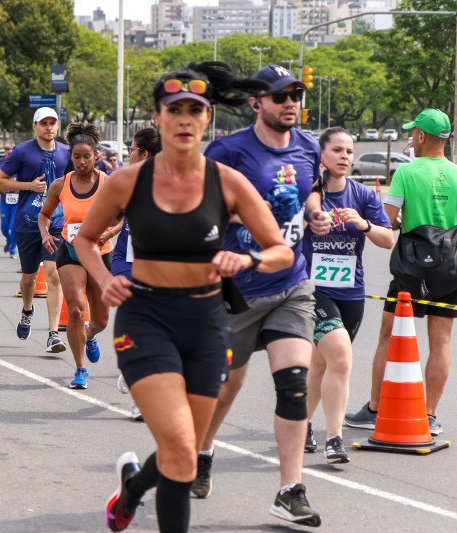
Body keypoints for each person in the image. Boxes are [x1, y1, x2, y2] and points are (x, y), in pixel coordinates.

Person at [74, 62, 293, 533]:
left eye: (196, 110)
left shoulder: (227, 183)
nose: (185, 119)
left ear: (208, 118)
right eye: (175, 110)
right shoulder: (128, 181)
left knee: (186, 453)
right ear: (157, 117)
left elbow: (281, 251)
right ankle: (136, 489)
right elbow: (85, 240)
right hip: (146, 317)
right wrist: (106, 276)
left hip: (208, 321)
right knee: (176, 445)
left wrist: (248, 261)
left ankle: (132, 488)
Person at [194, 64, 330, 527]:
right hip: (235, 291)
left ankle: (290, 491)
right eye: (280, 95)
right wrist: (242, 219)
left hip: (290, 284)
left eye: (296, 93)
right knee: (224, 387)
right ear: (256, 103)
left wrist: (314, 214)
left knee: (294, 384)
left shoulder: (309, 147)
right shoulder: (228, 151)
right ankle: (203, 450)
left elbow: (309, 190)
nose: (291, 101)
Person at [344, 108, 457, 436]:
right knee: (441, 342)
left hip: (411, 270)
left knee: (388, 336)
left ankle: (375, 407)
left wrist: (392, 215)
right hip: (451, 270)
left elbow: (387, 222)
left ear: (420, 136)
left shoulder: (406, 173)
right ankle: (430, 415)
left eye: (413, 132)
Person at [301, 127, 394, 464]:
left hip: (351, 294)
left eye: (349, 151)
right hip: (313, 292)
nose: (345, 157)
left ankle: (302, 423)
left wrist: (364, 225)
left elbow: (388, 240)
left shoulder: (363, 196)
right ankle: (334, 439)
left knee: (321, 363)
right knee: (340, 356)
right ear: (322, 156)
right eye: (337, 150)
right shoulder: (308, 195)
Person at [37, 122, 112, 389]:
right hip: (70, 251)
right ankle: (80, 369)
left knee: (101, 319)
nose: (81, 162)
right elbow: (44, 215)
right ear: (71, 157)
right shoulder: (61, 185)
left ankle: (90, 335)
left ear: (96, 156)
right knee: (77, 310)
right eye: (76, 157)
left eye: (86, 157)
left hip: (100, 253)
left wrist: (109, 232)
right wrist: (45, 234)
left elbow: (123, 216)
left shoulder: (108, 183)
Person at [0, 107, 72, 353]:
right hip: (27, 223)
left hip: (55, 223)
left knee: (54, 275)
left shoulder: (65, 153)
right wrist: (29, 185)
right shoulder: (22, 151)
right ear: (34, 126)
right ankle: (27, 310)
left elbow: (73, 183)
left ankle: (52, 334)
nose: (49, 127)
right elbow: (0, 182)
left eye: (53, 123)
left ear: (57, 126)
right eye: (44, 123)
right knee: (29, 278)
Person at [110, 127, 162, 421]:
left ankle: (132, 371)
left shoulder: (173, 182)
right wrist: (116, 226)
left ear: (144, 154)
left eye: (131, 149)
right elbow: (113, 214)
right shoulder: (125, 181)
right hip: (126, 261)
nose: (129, 153)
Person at [0, 145, 18, 258]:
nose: (10, 155)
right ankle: (9, 241)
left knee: (13, 226)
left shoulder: (21, 163)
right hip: (4, 199)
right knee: (4, 228)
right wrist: (3, 187)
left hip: (17, 200)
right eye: (8, 153)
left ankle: (13, 249)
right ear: (5, 153)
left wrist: (17, 187)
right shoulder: (0, 163)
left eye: (12, 153)